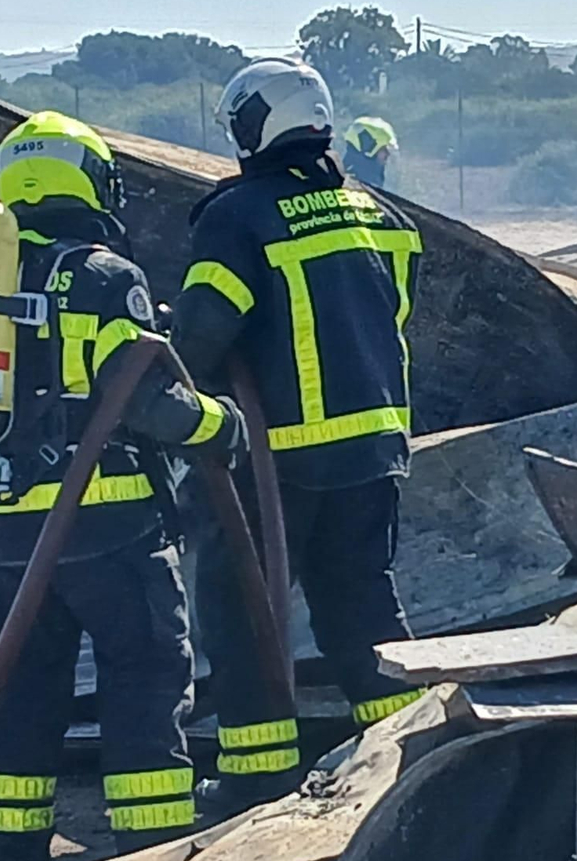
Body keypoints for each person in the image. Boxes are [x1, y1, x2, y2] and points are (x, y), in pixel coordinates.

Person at [0, 111, 244, 861]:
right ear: (87, 181)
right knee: (145, 675)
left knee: (18, 689)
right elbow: (150, 403)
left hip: (6, 538)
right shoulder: (102, 275)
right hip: (108, 527)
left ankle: (10, 857)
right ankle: (151, 857)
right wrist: (221, 425)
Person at [170, 58, 424, 814]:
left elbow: (205, 332)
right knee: (362, 606)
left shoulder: (239, 215)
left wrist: (168, 370)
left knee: (243, 607)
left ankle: (257, 779)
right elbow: (390, 319)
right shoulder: (381, 213)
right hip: (375, 444)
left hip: (277, 456)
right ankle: (405, 758)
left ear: (253, 125)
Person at [341, 116, 399, 189]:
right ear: (368, 146)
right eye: (384, 149)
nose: (388, 154)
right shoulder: (343, 185)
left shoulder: (376, 186)